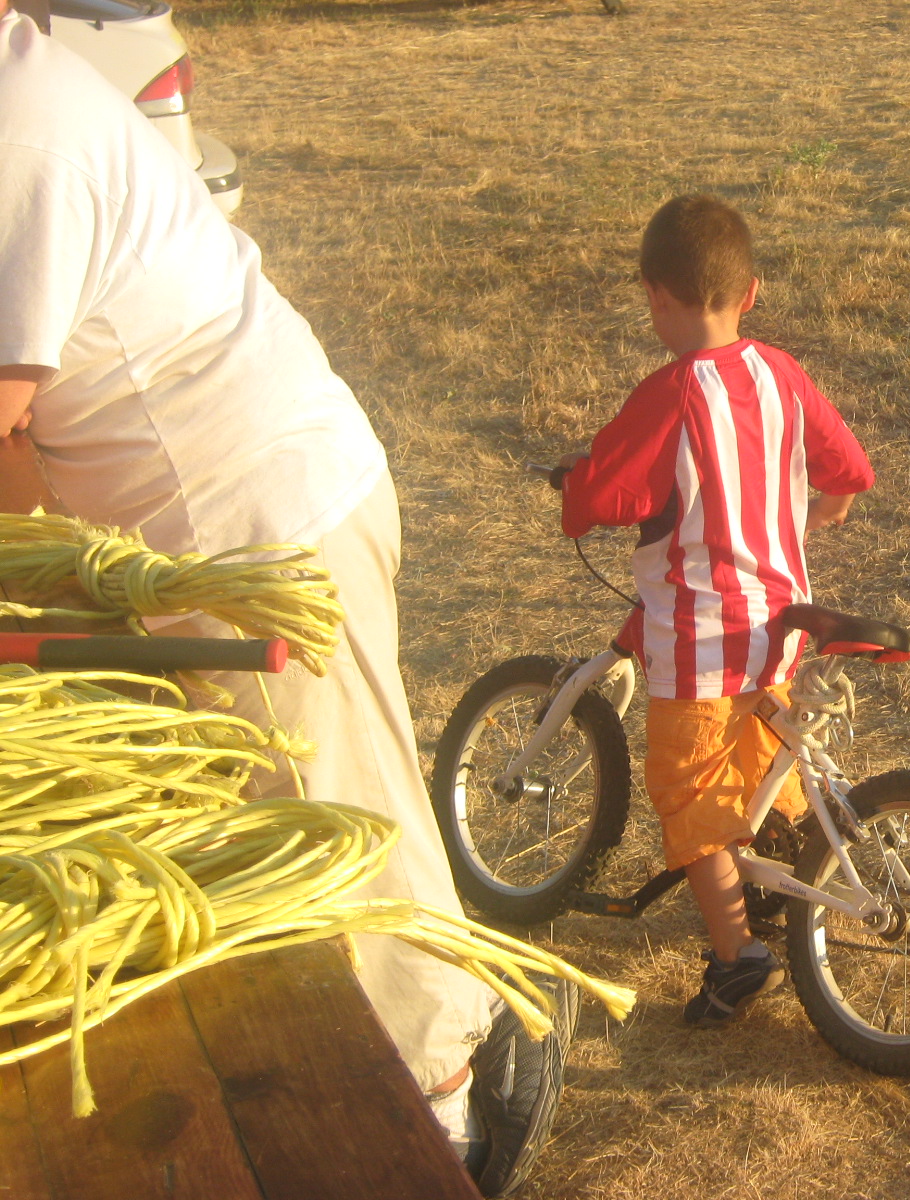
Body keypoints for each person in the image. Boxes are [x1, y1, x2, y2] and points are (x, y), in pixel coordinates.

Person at [0, 6, 559, 1193]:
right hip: (194, 539)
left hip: (256, 532)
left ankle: (447, 1121)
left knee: (338, 847)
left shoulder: (19, 127)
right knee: (291, 838)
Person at [556, 194, 874, 1026]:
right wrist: (826, 508)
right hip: (779, 622)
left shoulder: (670, 394)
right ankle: (784, 878)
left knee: (690, 791)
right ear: (751, 293)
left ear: (655, 294)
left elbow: (610, 493)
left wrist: (575, 489)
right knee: (762, 762)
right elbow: (849, 468)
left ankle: (737, 957)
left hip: (700, 640)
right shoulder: (781, 374)